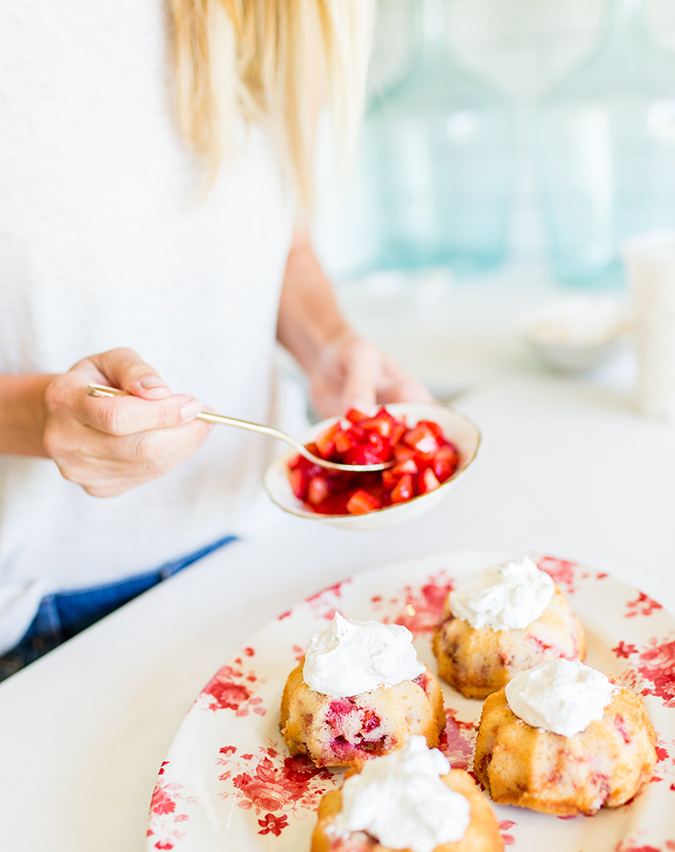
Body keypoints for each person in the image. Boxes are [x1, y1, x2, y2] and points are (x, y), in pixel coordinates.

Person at [0, 0, 432, 677]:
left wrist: (329, 342)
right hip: (35, 616)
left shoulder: (287, 12)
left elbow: (285, 248)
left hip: (260, 544)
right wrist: (36, 413)